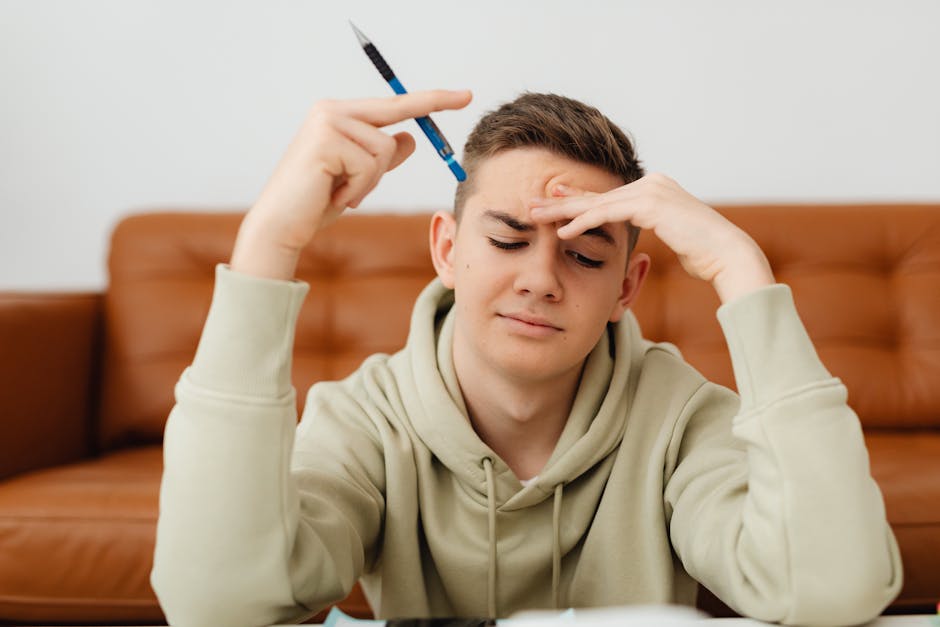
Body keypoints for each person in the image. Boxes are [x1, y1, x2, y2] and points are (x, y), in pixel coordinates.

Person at [150, 89, 902, 627]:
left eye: (582, 253)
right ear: (447, 249)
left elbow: (832, 592)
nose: (540, 279)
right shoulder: (363, 418)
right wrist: (268, 244)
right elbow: (217, 607)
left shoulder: (681, 416)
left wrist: (743, 270)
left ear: (626, 288)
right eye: (508, 239)